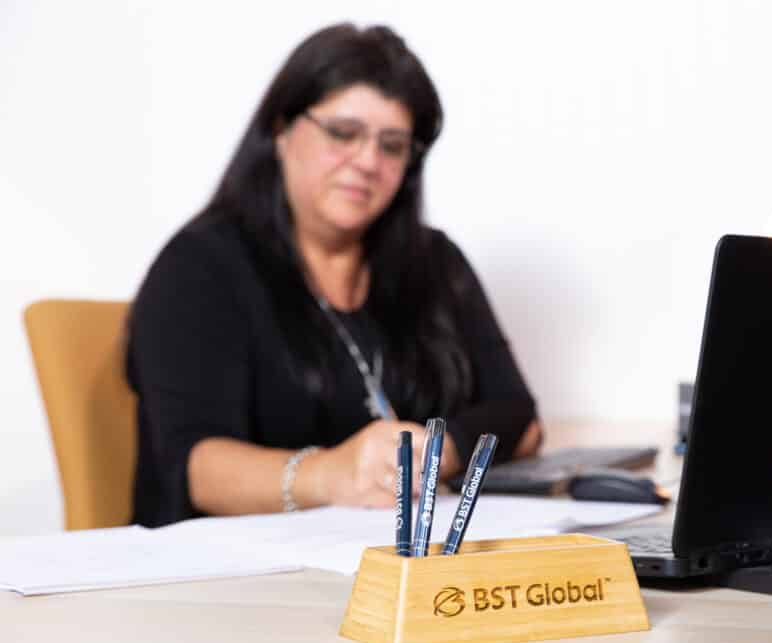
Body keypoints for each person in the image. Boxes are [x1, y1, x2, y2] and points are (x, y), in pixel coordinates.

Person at [128, 24, 541, 528]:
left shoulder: (435, 261)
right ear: (280, 129)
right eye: (344, 133)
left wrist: (432, 454)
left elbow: (516, 412)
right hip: (241, 580)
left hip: (397, 561)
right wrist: (329, 475)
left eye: (392, 146)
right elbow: (191, 467)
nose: (368, 161)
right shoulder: (199, 267)